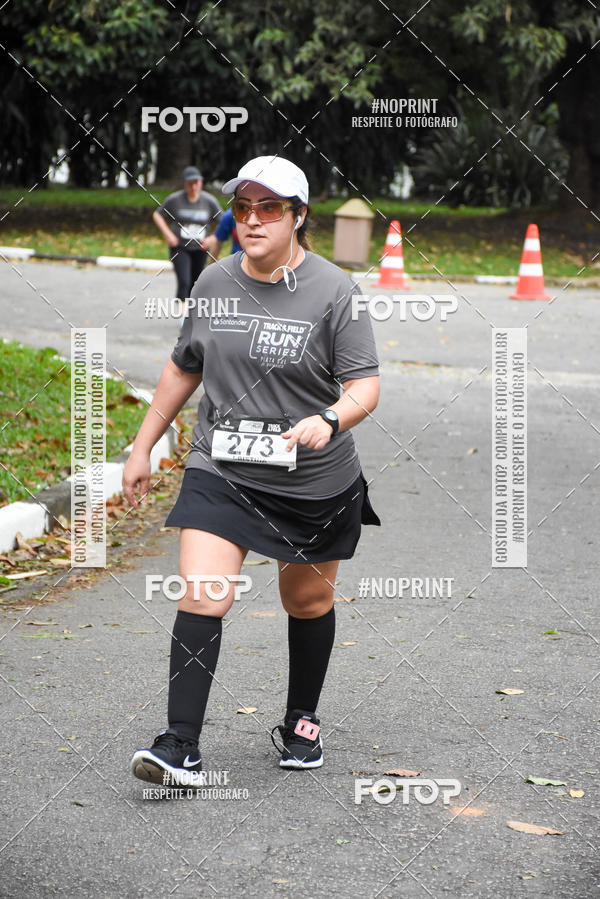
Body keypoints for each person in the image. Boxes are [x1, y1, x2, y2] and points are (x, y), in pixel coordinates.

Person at [125, 155, 381, 784]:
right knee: (204, 593)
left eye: (270, 208)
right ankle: (179, 745)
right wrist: (142, 445)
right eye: (242, 208)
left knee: (307, 598)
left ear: (299, 217)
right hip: (224, 468)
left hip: (312, 480)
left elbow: (365, 387)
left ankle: (302, 721)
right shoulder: (212, 285)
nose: (253, 219)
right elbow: (184, 367)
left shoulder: (334, 291)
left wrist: (329, 419)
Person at [153, 165, 223, 303]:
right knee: (184, 281)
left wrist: (213, 238)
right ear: (185, 184)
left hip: (200, 248)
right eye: (190, 183)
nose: (194, 186)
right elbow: (157, 215)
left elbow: (224, 221)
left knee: (196, 283)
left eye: (196, 183)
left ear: (201, 183)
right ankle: (184, 318)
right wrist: (168, 235)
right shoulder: (175, 200)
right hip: (180, 247)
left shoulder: (209, 201)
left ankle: (192, 315)